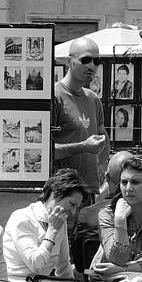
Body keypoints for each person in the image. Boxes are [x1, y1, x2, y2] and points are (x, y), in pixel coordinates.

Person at [52, 37, 108, 194]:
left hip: (88, 190)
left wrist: (102, 165)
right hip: (62, 192)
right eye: (86, 60)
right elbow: (45, 150)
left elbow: (103, 136)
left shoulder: (93, 98)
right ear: (69, 61)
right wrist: (84, 147)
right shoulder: (55, 96)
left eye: (96, 61)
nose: (92, 66)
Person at [72, 151, 134, 273]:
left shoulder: (85, 215)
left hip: (96, 278)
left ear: (106, 177)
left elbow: (79, 265)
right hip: (136, 280)